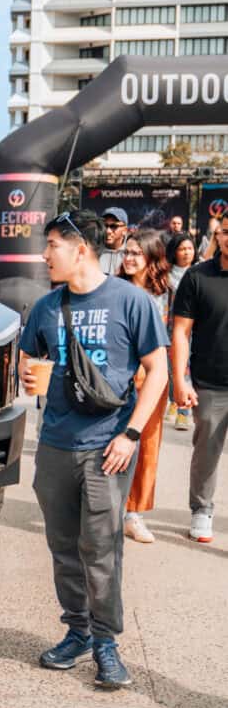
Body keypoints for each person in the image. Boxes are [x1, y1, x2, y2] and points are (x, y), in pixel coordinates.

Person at [19, 209, 168, 690]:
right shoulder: (46, 307)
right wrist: (25, 374)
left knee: (101, 549)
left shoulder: (132, 302)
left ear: (79, 249)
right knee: (63, 547)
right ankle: (77, 631)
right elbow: (29, 358)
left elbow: (158, 372)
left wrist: (131, 435)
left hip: (108, 448)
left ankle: (106, 643)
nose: (44, 256)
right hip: (55, 446)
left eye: (53, 246)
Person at [171, 220, 228, 544]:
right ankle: (202, 509)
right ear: (218, 236)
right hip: (210, 383)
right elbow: (180, 331)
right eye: (227, 231)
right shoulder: (197, 276)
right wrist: (180, 379)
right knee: (207, 451)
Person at [116, 230, 172, 544]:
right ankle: (107, 508)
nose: (129, 258)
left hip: (154, 379)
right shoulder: (113, 289)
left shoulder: (167, 292)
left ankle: (133, 514)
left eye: (136, 252)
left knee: (147, 446)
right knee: (112, 442)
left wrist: (181, 382)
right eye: (127, 252)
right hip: (119, 378)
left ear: (152, 256)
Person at [165, 234, 197, 430]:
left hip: (193, 330)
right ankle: (174, 400)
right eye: (182, 249)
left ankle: (183, 412)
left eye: (190, 249)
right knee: (172, 369)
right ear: (174, 252)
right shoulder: (166, 275)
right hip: (168, 328)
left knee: (186, 367)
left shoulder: (198, 273)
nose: (187, 253)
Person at [98, 208, 128, 275]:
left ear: (125, 230)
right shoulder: (93, 251)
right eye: (104, 226)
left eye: (114, 226)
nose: (108, 231)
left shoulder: (131, 253)